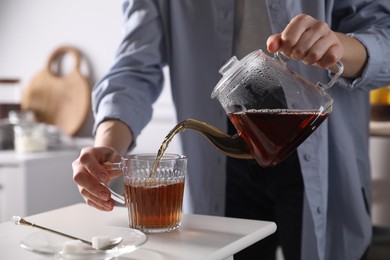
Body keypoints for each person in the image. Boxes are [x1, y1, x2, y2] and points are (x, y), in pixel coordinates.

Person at [72, 1, 390, 260]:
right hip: (224, 155)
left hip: (322, 147)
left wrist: (339, 45)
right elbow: (134, 66)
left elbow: (384, 36)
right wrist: (107, 144)